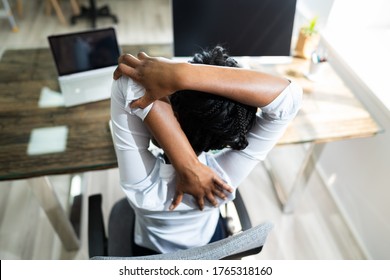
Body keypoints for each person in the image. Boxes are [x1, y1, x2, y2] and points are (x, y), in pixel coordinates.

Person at [110, 46, 302, 254]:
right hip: (211, 246)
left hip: (150, 254)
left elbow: (127, 77)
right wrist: (182, 76)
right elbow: (288, 98)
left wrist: (188, 166)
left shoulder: (143, 187)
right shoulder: (222, 181)